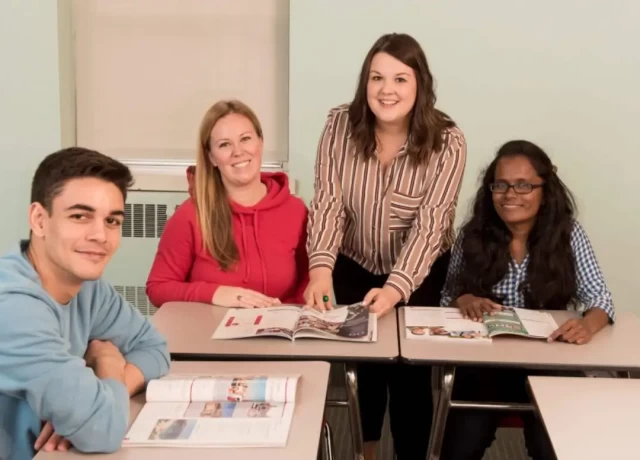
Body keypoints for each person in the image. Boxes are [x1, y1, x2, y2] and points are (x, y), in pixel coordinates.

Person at [305, 33, 467, 460]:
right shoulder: (339, 124)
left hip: (421, 272)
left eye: (400, 79)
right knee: (364, 372)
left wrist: (397, 289)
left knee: (412, 377)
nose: (387, 90)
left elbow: (432, 225)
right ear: (365, 82)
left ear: (420, 85)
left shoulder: (448, 142)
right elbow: (328, 203)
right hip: (354, 262)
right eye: (377, 77)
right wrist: (320, 267)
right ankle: (366, 453)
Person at [439, 139, 615, 460]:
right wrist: (464, 298)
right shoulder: (472, 234)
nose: (510, 195)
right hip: (485, 364)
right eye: (501, 185)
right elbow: (448, 295)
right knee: (460, 445)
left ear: (544, 191)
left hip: (551, 361)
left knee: (551, 446)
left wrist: (588, 325)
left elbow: (600, 296)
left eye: (524, 186)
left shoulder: (568, 234)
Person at [0, 148, 170, 460]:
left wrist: (105, 391)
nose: (100, 235)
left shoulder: (88, 288)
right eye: (80, 216)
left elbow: (155, 348)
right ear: (39, 220)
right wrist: (108, 364)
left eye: (112, 221)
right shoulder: (12, 308)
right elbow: (102, 431)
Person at [146, 99, 309, 308]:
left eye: (246, 139)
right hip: (208, 334)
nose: (238, 152)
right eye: (224, 144)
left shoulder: (295, 210)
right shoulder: (191, 215)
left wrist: (290, 313)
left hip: (278, 332)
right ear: (211, 157)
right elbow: (158, 288)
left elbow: (309, 279)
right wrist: (216, 293)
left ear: (260, 142)